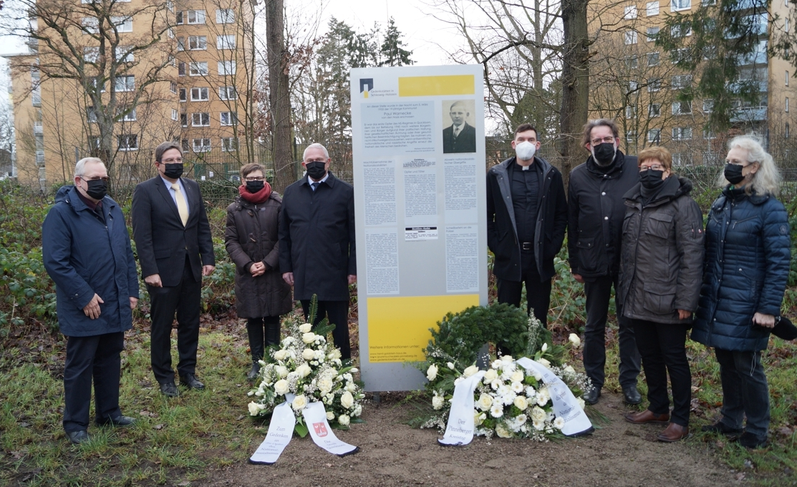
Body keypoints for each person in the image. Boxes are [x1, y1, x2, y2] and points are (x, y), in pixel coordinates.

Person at [692, 135, 791, 449]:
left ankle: (758, 429)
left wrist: (768, 308)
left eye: (736, 163)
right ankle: (731, 420)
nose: (729, 167)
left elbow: (779, 263)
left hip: (749, 303)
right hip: (720, 299)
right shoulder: (722, 203)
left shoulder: (770, 209)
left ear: (754, 167)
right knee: (726, 361)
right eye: (728, 161)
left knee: (748, 367)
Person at [42, 157, 139, 444]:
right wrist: (83, 296)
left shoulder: (112, 208)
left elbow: (125, 253)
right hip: (84, 305)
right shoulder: (60, 214)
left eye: (104, 178)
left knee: (110, 359)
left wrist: (130, 290)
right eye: (94, 178)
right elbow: (55, 262)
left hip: (114, 300)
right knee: (80, 365)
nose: (100, 183)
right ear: (78, 181)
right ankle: (75, 424)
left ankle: (109, 412)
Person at [618, 147, 704, 442]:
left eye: (656, 166)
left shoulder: (684, 205)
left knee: (674, 359)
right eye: (644, 166)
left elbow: (692, 256)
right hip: (638, 296)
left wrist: (686, 301)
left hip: (669, 300)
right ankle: (658, 407)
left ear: (668, 171)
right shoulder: (633, 202)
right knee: (649, 356)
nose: (649, 171)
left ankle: (680, 419)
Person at [131, 142, 215, 397]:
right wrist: (149, 270)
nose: (176, 162)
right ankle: (165, 378)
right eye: (170, 159)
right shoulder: (145, 191)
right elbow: (142, 236)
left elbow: (201, 225)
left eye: (179, 158)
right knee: (162, 326)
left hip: (191, 268)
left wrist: (208, 257)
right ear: (158, 164)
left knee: (190, 323)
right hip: (162, 272)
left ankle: (188, 371)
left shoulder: (192, 186)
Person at [567, 118, 641, 405]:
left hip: (628, 261)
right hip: (592, 259)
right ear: (589, 146)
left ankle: (629, 382)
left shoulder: (635, 168)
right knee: (594, 325)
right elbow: (572, 223)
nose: (603, 144)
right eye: (597, 141)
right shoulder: (577, 176)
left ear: (617, 141)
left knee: (629, 324)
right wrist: (575, 264)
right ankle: (593, 381)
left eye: (607, 139)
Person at [279, 143, 356, 359]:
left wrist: (353, 267)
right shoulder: (292, 193)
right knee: (311, 329)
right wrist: (286, 267)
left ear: (328, 162)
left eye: (319, 160)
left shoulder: (345, 192)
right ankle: (315, 373)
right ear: (304, 164)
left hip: (335, 271)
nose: (315, 164)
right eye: (310, 161)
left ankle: (344, 371)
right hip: (305, 270)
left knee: (339, 327)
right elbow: (284, 234)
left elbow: (354, 235)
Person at [486, 124, 568, 326]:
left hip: (540, 258)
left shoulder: (551, 175)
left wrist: (552, 247)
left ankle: (538, 358)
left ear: (538, 145)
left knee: (538, 321)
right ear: (513, 144)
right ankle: (503, 358)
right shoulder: (496, 175)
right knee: (506, 319)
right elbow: (487, 215)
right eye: (521, 139)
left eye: (531, 140)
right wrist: (498, 246)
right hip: (508, 257)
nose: (526, 143)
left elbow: (561, 214)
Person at [225, 163, 293, 380]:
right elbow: (231, 241)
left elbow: (285, 238)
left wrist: (268, 262)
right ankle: (257, 362)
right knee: (253, 317)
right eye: (251, 178)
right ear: (243, 180)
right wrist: (247, 264)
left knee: (273, 316)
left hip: (273, 272)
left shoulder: (279, 204)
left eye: (259, 177)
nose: (255, 180)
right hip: (248, 274)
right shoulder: (234, 209)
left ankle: (273, 361)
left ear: (265, 178)